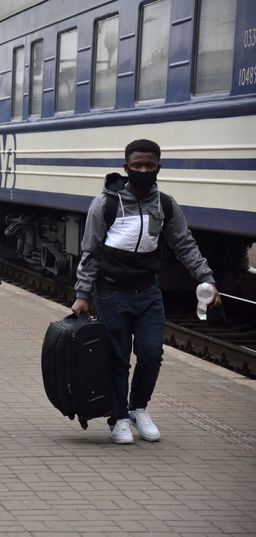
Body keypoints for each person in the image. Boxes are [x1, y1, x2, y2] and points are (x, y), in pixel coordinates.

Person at [71, 139, 220, 444]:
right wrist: (83, 294)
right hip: (111, 293)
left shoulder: (165, 204)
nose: (143, 170)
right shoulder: (106, 203)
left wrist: (206, 278)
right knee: (118, 358)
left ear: (158, 168)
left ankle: (139, 407)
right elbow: (90, 251)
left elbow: (184, 243)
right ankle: (119, 417)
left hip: (148, 292)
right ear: (126, 168)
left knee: (152, 354)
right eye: (136, 166)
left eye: (149, 166)